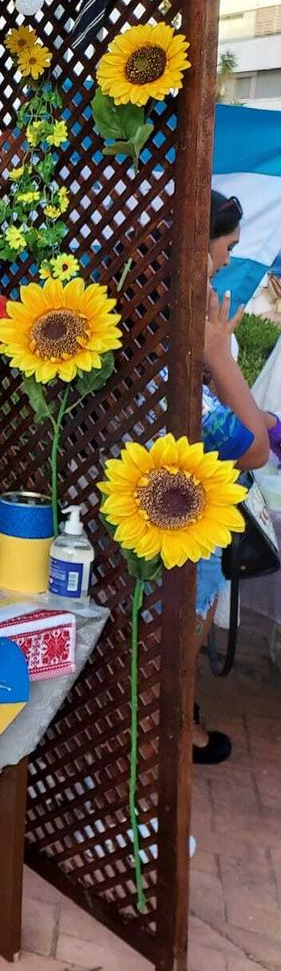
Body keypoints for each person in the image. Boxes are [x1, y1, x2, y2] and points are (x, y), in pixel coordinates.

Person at [195, 190, 275, 764]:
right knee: (181, 631)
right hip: (177, 522)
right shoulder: (184, 340)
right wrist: (221, 357)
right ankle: (175, 724)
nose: (226, 262)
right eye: (224, 248)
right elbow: (251, 450)